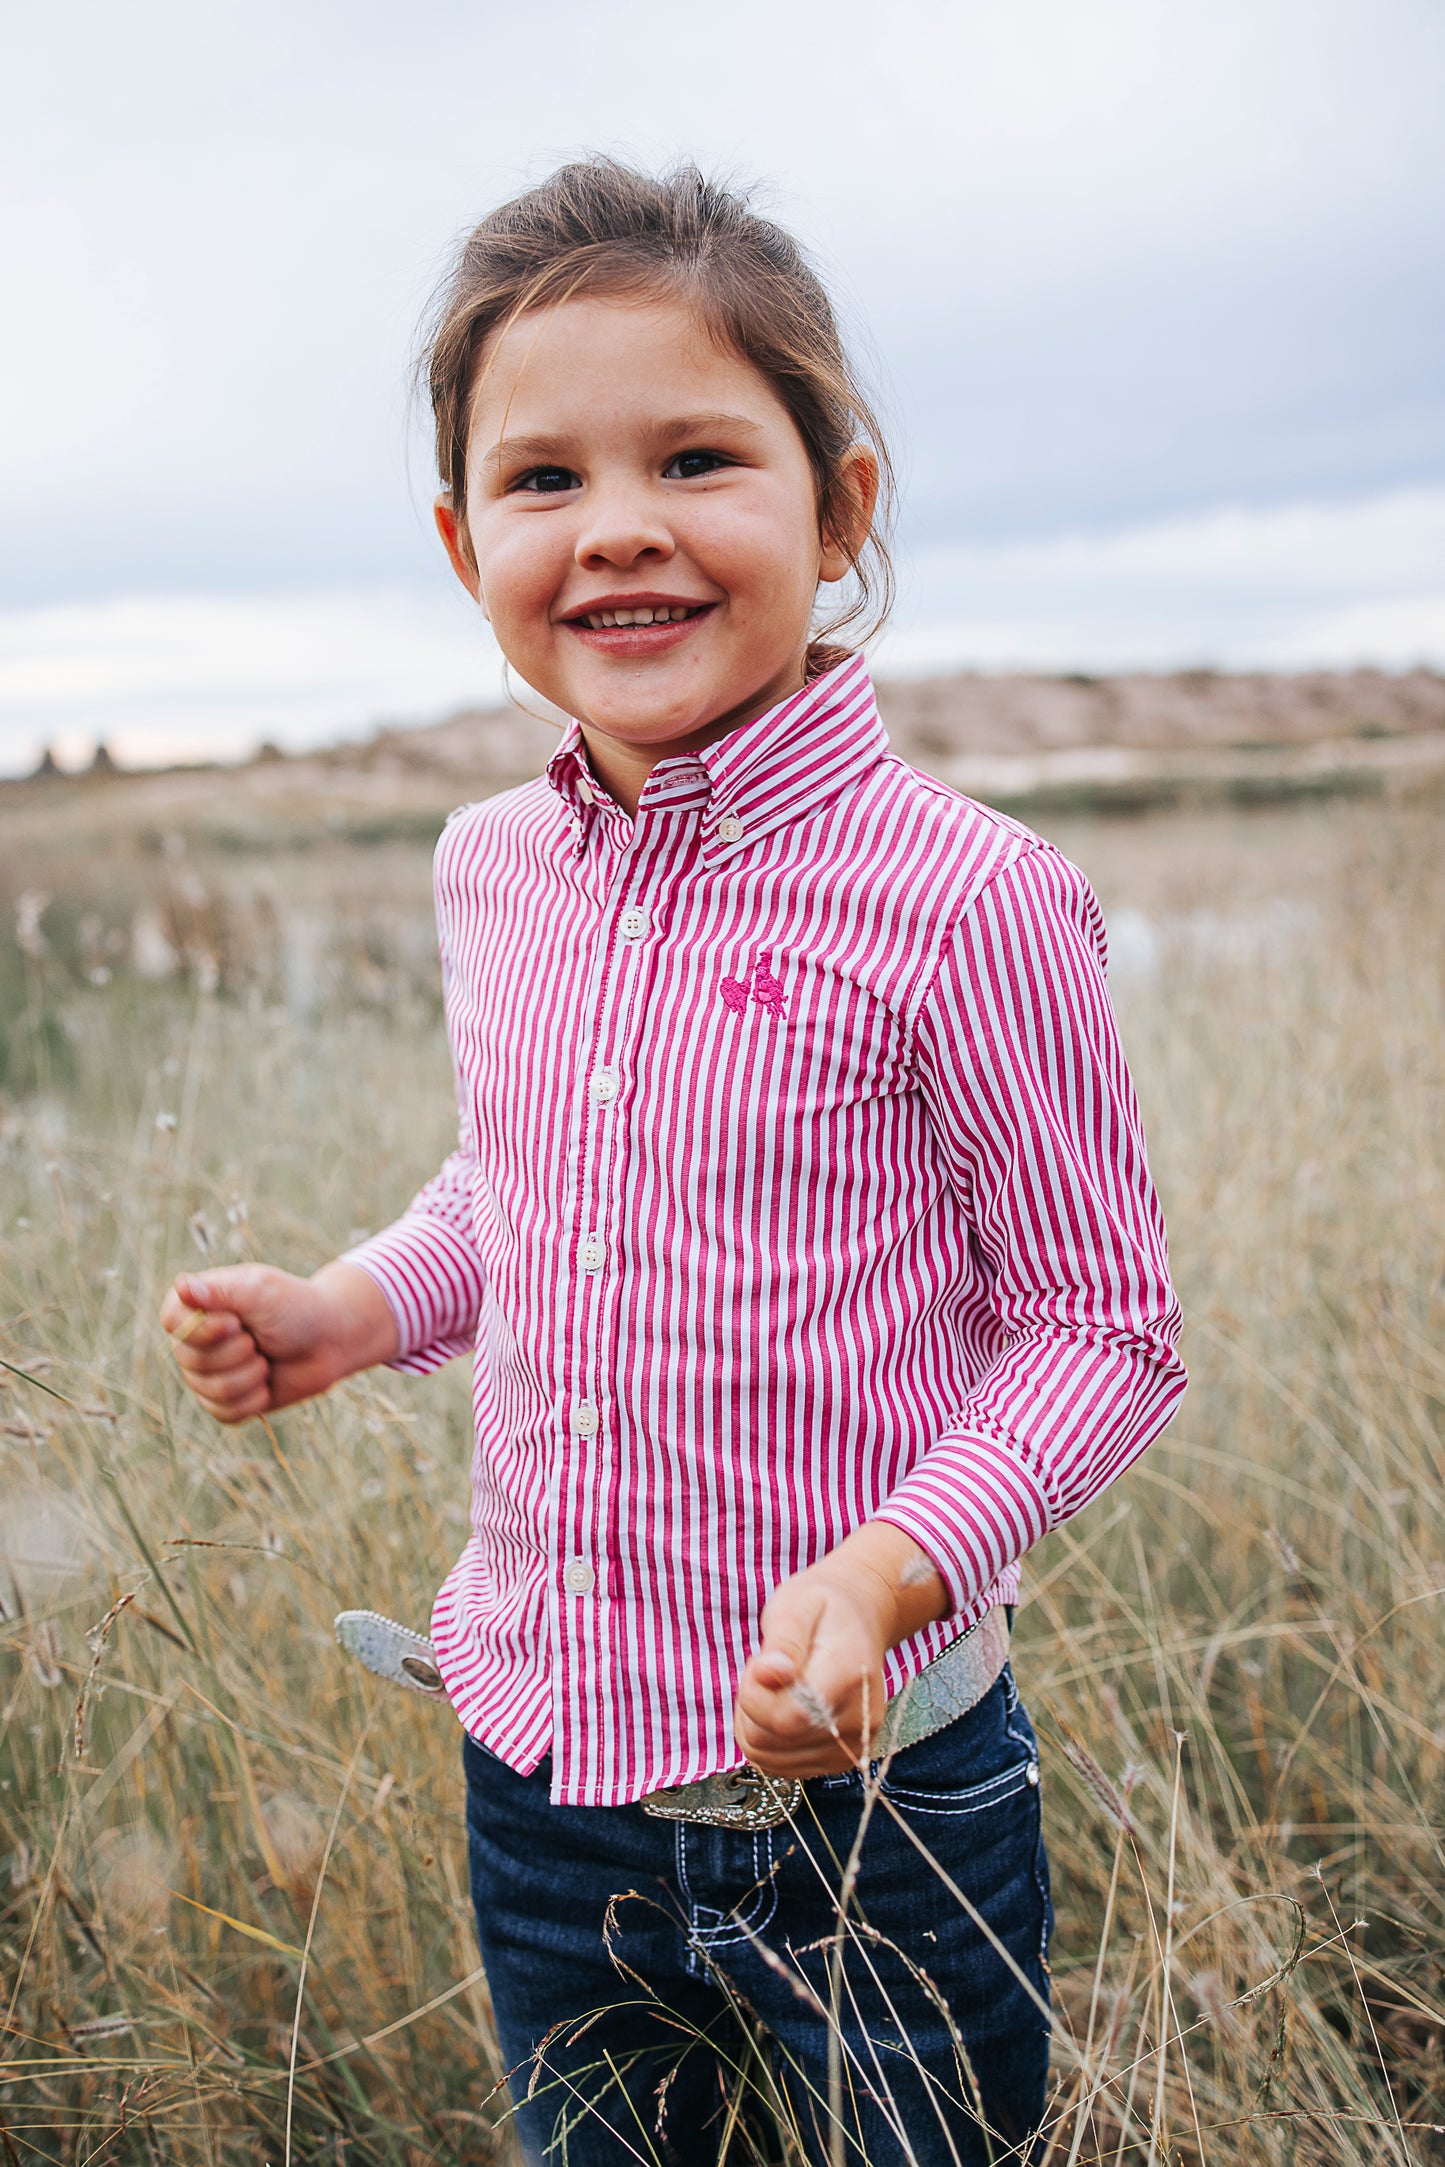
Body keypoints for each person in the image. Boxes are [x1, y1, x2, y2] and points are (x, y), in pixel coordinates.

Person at [162, 158, 1185, 2166]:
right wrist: (353, 1307)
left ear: (840, 508)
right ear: (465, 545)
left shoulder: (970, 901)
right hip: (541, 1782)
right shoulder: (491, 872)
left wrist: (891, 1574)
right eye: (543, 482)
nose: (619, 526)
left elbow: (1103, 1332)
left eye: (699, 457)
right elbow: (513, 1193)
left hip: (879, 1812)